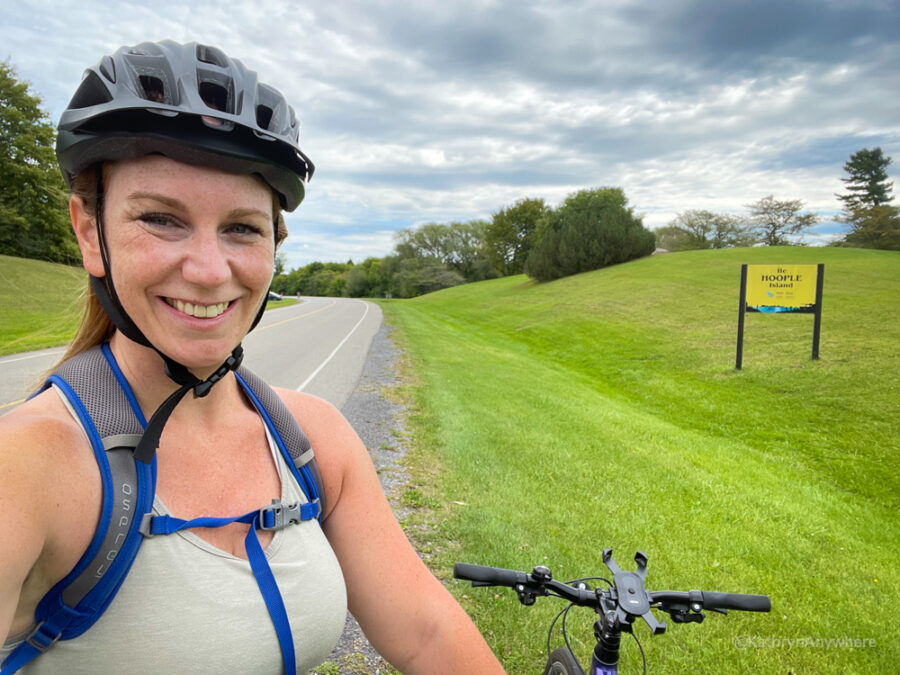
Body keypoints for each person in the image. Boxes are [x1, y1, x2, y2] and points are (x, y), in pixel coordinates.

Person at [0, 40, 504, 674]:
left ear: (273, 246)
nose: (211, 271)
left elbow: (427, 634)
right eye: (161, 219)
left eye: (241, 228)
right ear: (89, 232)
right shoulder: (26, 465)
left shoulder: (312, 439)